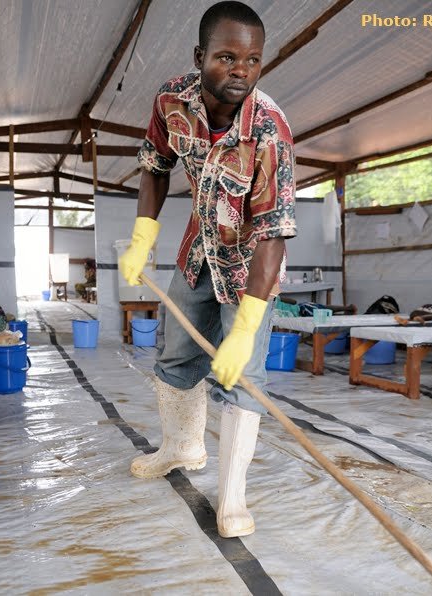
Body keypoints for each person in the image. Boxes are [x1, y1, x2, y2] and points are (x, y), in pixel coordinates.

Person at [119, 1, 296, 539]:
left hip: (251, 271)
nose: (240, 70)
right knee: (175, 355)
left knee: (244, 378)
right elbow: (155, 165)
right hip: (197, 252)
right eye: (226, 57)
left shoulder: (270, 131)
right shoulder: (172, 100)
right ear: (200, 57)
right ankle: (181, 447)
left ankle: (233, 497)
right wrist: (142, 237)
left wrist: (243, 329)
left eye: (253, 60)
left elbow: (272, 234)